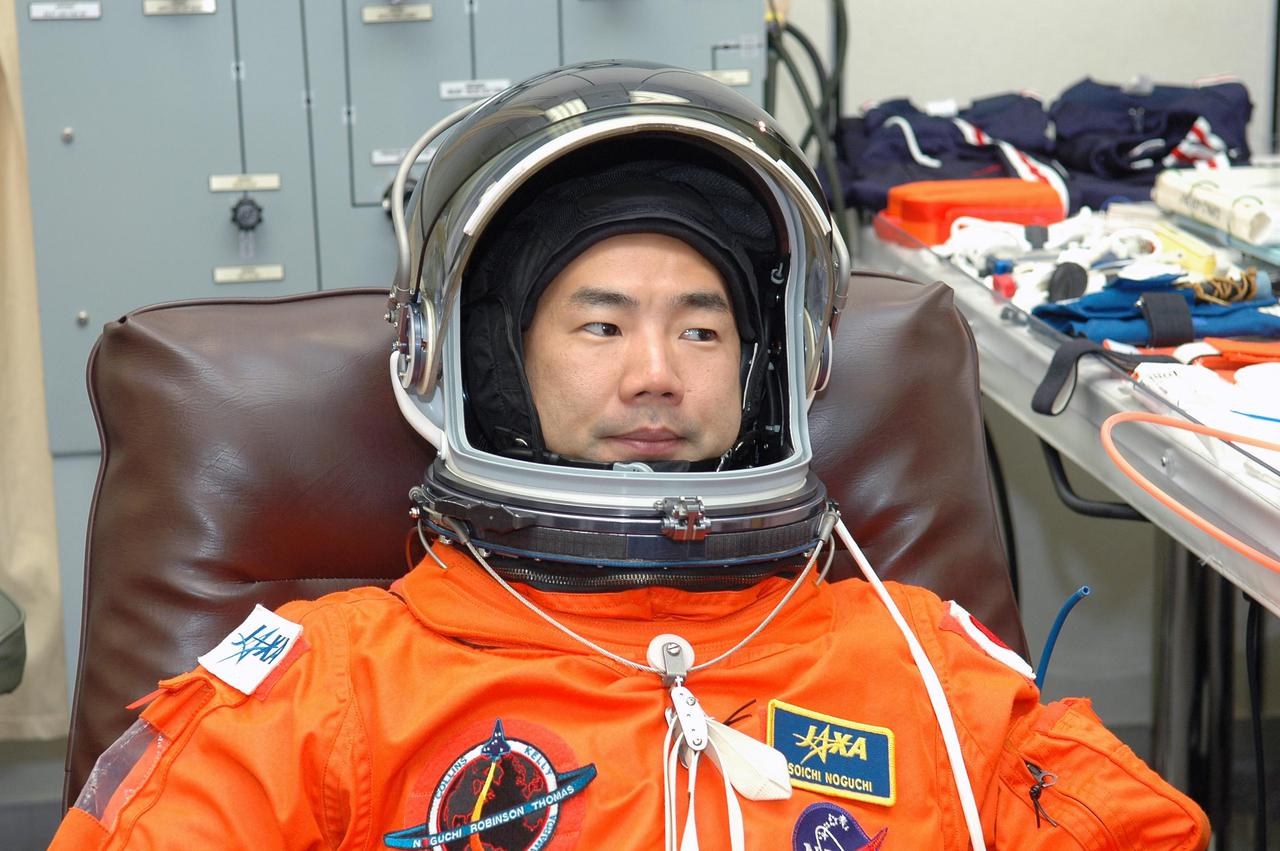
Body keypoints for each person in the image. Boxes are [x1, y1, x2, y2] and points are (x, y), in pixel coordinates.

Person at [49, 61, 1208, 851]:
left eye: (701, 329)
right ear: (481, 364)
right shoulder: (332, 680)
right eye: (599, 324)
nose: (654, 372)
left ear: (773, 375)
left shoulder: (913, 659)